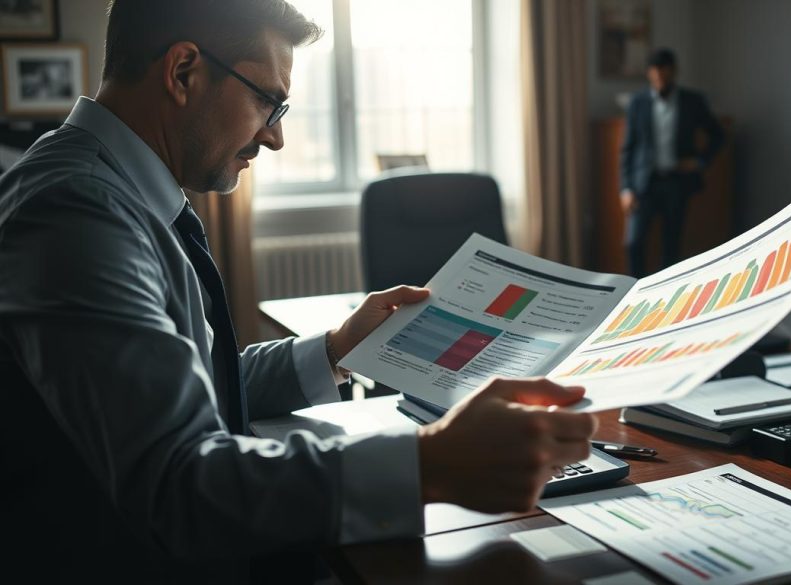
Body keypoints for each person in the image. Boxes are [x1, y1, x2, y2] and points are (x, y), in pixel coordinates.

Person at [0, 1, 596, 582]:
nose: (275, 136)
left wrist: (336, 348)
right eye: (267, 100)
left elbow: (191, 385)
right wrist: (431, 463)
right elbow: (177, 483)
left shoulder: (111, 191)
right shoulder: (76, 213)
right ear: (182, 72)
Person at [620, 48, 724, 278]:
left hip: (677, 182)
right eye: (655, 72)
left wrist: (699, 161)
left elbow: (718, 135)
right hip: (644, 183)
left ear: (674, 71)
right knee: (633, 242)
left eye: (664, 72)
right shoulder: (638, 103)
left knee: (672, 245)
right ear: (649, 73)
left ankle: (667, 295)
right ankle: (633, 290)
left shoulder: (692, 101)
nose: (659, 77)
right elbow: (628, 148)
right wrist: (626, 188)